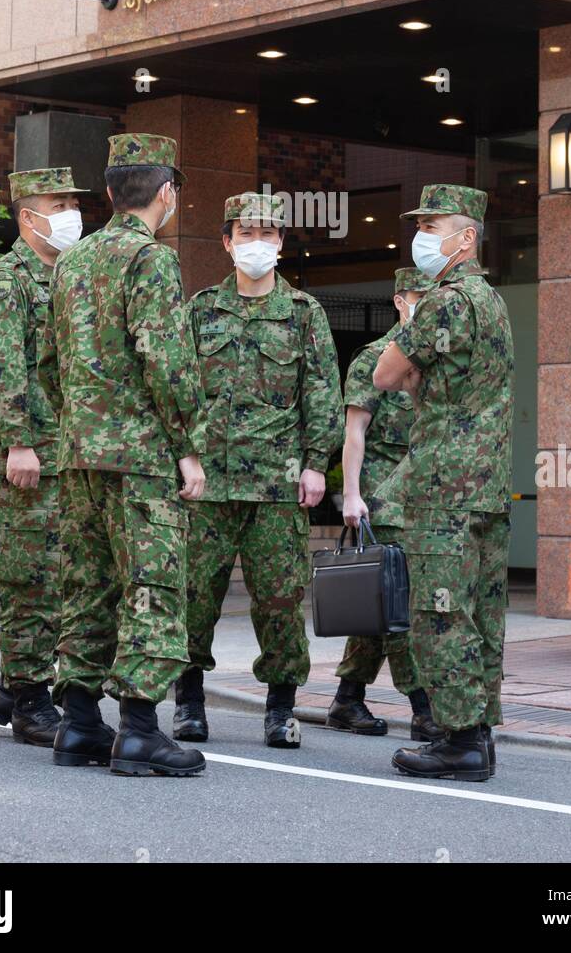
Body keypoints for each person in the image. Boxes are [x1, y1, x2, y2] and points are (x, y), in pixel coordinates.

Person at [38, 133, 207, 778]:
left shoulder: (73, 263)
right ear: (165, 194)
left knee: (89, 584)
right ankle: (138, 730)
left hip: (81, 453)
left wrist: (79, 425)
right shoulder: (151, 260)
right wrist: (188, 448)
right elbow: (167, 361)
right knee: (152, 585)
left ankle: (79, 724)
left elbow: (50, 363)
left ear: (110, 192)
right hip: (140, 457)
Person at [174, 191, 343, 749]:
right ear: (226, 242)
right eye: (245, 234)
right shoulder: (200, 310)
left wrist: (318, 464)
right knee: (196, 595)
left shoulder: (304, 313)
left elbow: (321, 390)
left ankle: (280, 709)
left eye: (267, 235)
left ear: (281, 244)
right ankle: (190, 703)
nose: (256, 244)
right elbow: (176, 388)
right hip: (208, 486)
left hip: (277, 483)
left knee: (280, 600)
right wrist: (185, 455)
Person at [374, 185, 514, 783]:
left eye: (433, 225)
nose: (421, 236)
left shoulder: (445, 301)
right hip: (487, 484)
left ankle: (456, 740)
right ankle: (478, 731)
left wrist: (415, 382)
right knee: (482, 612)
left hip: (443, 486)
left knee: (440, 613)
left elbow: (385, 373)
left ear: (466, 237)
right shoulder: (494, 302)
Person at [0, 166, 86, 745]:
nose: (70, 213)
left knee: (58, 571)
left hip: (63, 449)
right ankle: (31, 700)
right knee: (31, 575)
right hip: (24, 452)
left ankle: (15, 683)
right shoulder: (6, 281)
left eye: (72, 201)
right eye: (58, 202)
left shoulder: (67, 276)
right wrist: (19, 441)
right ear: (27, 216)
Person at [326, 267, 441, 742]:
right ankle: (423, 708)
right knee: (401, 604)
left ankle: (347, 699)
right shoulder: (375, 359)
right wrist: (351, 495)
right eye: (421, 297)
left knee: (382, 599)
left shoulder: (439, 359)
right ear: (400, 300)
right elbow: (354, 433)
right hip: (384, 497)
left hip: (427, 495)